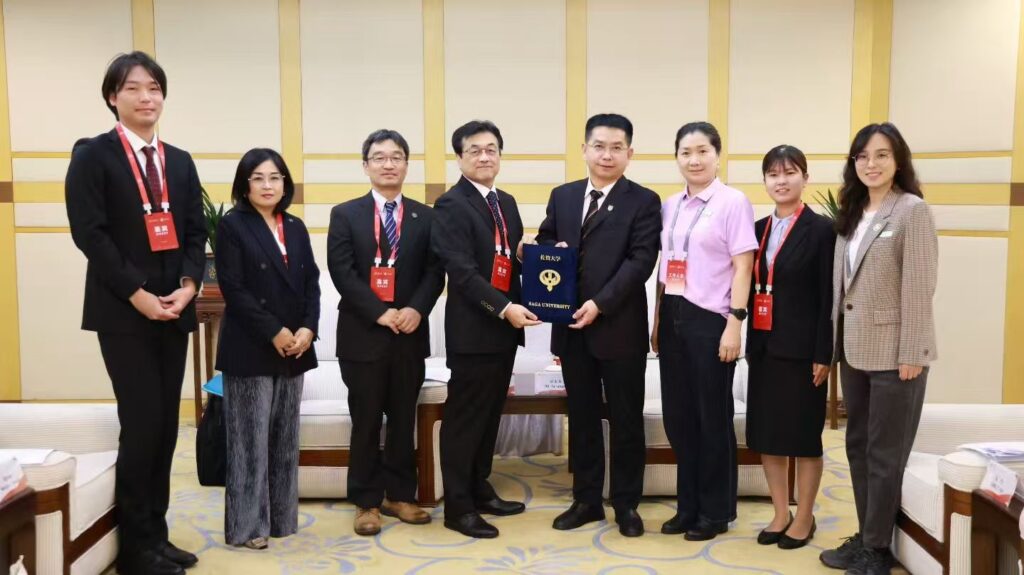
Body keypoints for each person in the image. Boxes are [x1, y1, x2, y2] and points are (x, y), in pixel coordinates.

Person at [65, 51, 204, 575]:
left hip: (175, 310)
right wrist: (139, 294)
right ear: (112, 97)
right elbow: (91, 236)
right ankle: (136, 548)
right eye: (134, 89)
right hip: (125, 314)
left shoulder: (179, 160)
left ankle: (156, 534)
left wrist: (189, 286)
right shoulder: (93, 156)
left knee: (167, 426)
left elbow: (194, 231)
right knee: (141, 423)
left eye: (155, 89)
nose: (147, 98)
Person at [533, 113, 661, 537]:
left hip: (619, 327)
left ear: (630, 153)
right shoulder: (564, 195)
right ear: (584, 149)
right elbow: (546, 241)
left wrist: (600, 303)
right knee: (582, 417)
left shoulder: (643, 201)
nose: (607, 155)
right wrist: (549, 249)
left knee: (626, 418)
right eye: (599, 146)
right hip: (571, 328)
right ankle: (586, 500)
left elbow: (641, 261)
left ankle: (626, 504)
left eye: (617, 147)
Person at [820, 123, 937, 575]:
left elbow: (920, 287)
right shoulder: (852, 213)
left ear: (899, 161)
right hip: (855, 351)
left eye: (882, 155)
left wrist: (913, 352)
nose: (872, 164)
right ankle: (869, 536)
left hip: (896, 355)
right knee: (857, 447)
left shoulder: (912, 211)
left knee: (886, 454)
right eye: (863, 157)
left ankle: (877, 549)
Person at [327, 129, 444, 536]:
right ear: (366, 166)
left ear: (407, 166)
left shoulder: (426, 216)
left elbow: (435, 271)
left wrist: (415, 309)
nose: (388, 164)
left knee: (401, 418)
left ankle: (399, 495)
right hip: (363, 334)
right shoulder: (345, 214)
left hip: (409, 334)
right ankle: (365, 502)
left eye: (396, 157)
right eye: (379, 157)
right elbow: (342, 272)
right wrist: (380, 313)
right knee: (365, 420)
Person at [431, 120, 540, 538]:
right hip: (475, 328)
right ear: (460, 157)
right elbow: (460, 271)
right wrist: (504, 307)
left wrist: (540, 258)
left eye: (491, 149)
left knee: (490, 415)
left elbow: (506, 258)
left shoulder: (505, 202)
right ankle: (458, 507)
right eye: (474, 150)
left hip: (502, 331)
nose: (484, 156)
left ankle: (479, 487)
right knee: (465, 419)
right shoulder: (451, 204)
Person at [651, 121, 757, 541]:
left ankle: (715, 511)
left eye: (702, 151)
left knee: (712, 416)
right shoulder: (670, 204)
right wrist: (657, 319)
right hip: (674, 314)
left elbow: (743, 265)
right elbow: (666, 266)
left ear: (717, 155)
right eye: (685, 152)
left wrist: (735, 322)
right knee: (680, 417)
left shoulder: (733, 201)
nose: (694, 160)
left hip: (712, 317)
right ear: (676, 158)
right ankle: (688, 505)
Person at [215, 148, 320, 550]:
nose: (267, 185)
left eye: (275, 177)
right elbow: (234, 289)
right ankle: (248, 527)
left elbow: (311, 282)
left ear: (285, 184)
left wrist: (308, 328)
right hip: (251, 347)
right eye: (258, 178)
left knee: (283, 438)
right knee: (249, 441)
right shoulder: (232, 226)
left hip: (295, 348)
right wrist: (275, 331)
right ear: (245, 184)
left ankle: (281, 520)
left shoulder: (294, 226)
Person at [745, 145, 835, 550]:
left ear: (805, 178)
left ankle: (804, 515)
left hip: (802, 353)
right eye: (773, 174)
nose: (781, 181)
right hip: (764, 348)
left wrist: (824, 353)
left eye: (790, 173)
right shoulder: (757, 227)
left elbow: (828, 298)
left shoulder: (822, 231)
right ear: (765, 181)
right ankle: (780, 512)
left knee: (803, 437)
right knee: (769, 436)